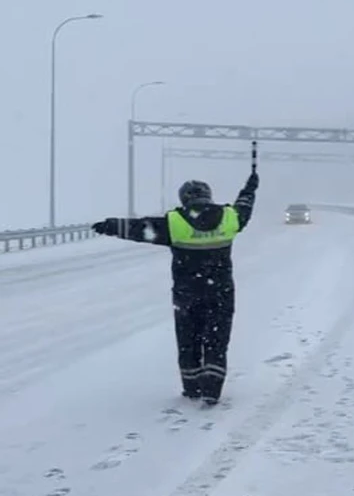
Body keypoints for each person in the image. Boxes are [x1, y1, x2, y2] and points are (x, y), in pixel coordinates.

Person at [91, 172, 259, 405]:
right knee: (217, 340)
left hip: (187, 294)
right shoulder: (229, 218)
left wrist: (110, 225)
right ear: (208, 196)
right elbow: (244, 209)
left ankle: (192, 388)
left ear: (184, 199)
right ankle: (212, 389)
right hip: (221, 292)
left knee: (188, 340)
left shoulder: (175, 222)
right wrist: (249, 189)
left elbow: (140, 228)